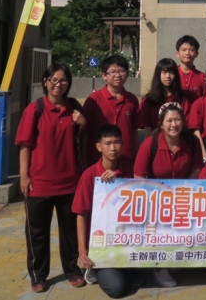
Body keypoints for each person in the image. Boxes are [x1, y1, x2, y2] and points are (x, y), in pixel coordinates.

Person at [15, 63, 87, 293]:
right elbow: (25, 146)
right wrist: (24, 176)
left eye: (63, 80)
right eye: (54, 80)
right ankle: (38, 275)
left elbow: (82, 140)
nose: (58, 84)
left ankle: (72, 270)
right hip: (39, 184)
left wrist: (82, 124)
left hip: (70, 182)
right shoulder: (34, 110)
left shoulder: (74, 108)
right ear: (45, 81)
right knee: (37, 233)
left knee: (69, 233)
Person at [132, 102, 199, 289]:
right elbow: (138, 176)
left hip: (182, 198)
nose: (173, 124)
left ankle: (173, 261)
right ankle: (158, 267)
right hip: (155, 201)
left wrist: (185, 191)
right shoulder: (150, 144)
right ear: (161, 124)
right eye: (169, 120)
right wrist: (154, 198)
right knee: (158, 234)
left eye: (177, 119)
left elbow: (195, 169)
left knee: (180, 232)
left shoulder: (191, 143)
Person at [73, 125, 142, 298]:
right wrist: (83, 252)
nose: (113, 148)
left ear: (123, 144)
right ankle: (95, 271)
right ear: (99, 147)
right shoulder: (89, 176)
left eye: (117, 143)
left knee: (144, 277)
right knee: (117, 288)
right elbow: (81, 214)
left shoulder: (131, 169)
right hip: (102, 245)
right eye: (108, 143)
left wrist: (119, 176)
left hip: (128, 241)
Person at [81, 54, 140, 163]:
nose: (117, 75)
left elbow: (134, 132)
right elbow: (86, 133)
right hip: (98, 161)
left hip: (126, 161)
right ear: (104, 76)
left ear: (127, 74)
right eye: (113, 72)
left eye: (122, 71)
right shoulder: (94, 100)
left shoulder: (132, 100)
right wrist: (84, 160)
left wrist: (136, 159)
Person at [137, 58, 189, 132]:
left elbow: (186, 122)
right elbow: (146, 125)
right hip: (156, 139)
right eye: (164, 73)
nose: (168, 76)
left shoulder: (182, 98)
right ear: (158, 75)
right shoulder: (148, 99)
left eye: (171, 73)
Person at [174, 35, 206, 101]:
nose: (187, 53)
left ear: (196, 54)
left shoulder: (203, 77)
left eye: (191, 50)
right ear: (177, 54)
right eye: (184, 50)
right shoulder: (172, 74)